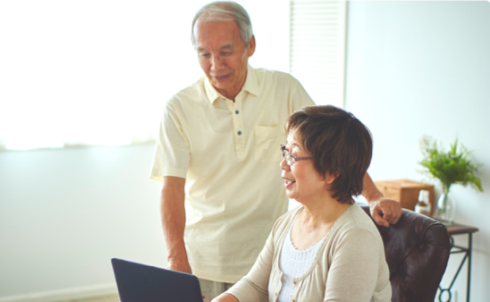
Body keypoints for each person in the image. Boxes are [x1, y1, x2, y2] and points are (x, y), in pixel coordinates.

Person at [150, 1, 401, 299]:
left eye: (226, 52)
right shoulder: (179, 107)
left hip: (266, 248)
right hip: (206, 258)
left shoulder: (284, 88)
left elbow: (333, 146)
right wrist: (176, 257)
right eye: (204, 54)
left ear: (250, 45)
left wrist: (373, 197)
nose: (215, 65)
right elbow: (172, 188)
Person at [212, 105, 392, 302]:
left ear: (331, 171)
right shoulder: (287, 222)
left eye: (294, 156)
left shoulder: (357, 237)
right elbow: (256, 286)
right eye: (285, 151)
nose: (283, 163)